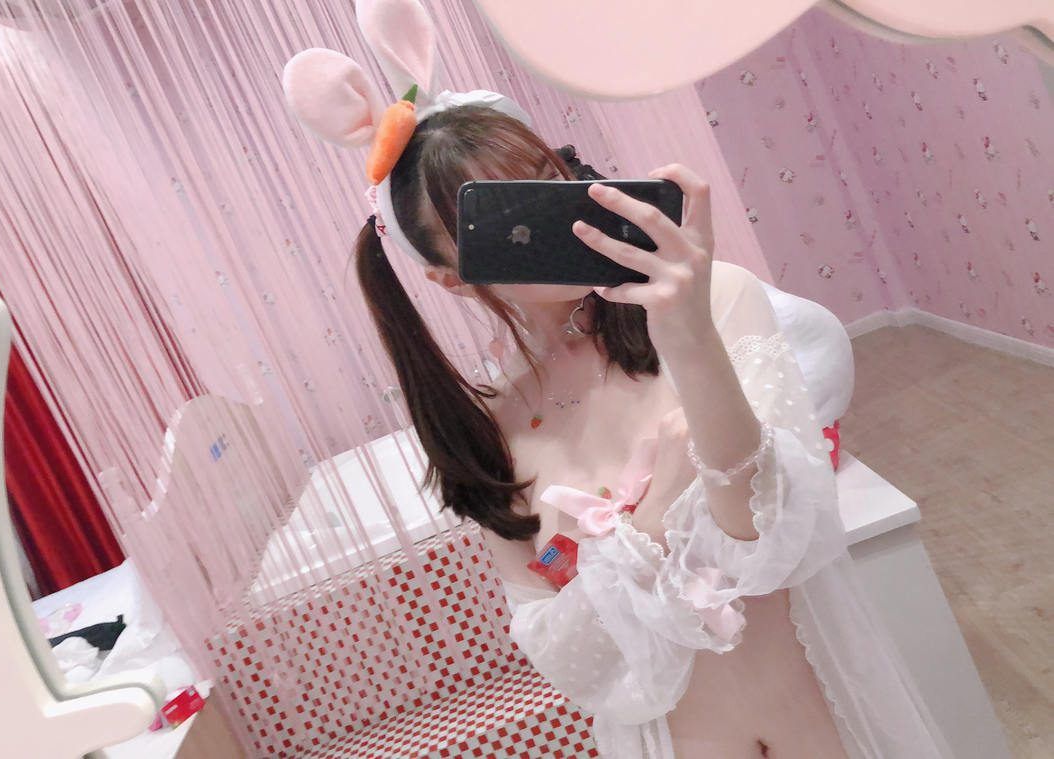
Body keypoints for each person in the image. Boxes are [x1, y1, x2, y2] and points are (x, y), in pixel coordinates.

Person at [347, 105, 953, 759]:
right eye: (498, 217)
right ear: (452, 276)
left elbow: (775, 530)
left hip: (831, 725)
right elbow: (565, 656)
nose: (548, 218)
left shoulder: (717, 299)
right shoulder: (495, 427)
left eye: (545, 181)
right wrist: (655, 514)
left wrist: (688, 335)